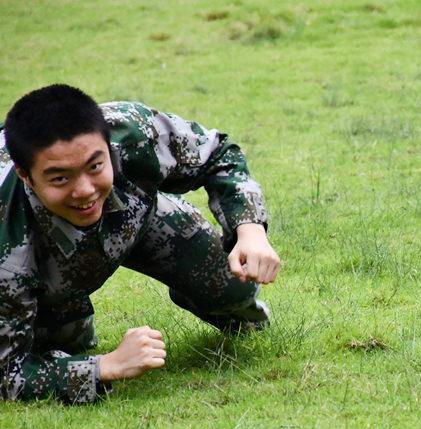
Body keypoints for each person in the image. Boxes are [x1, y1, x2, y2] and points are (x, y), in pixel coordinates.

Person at [0, 84, 280, 404]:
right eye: (61, 178)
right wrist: (105, 366)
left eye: (95, 167)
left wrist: (251, 229)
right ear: (25, 174)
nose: (85, 191)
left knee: (234, 286)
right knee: (64, 346)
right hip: (36, 256)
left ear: (108, 145)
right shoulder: (6, 248)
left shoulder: (132, 132)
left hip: (133, 215)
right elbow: (7, 373)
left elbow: (216, 153)